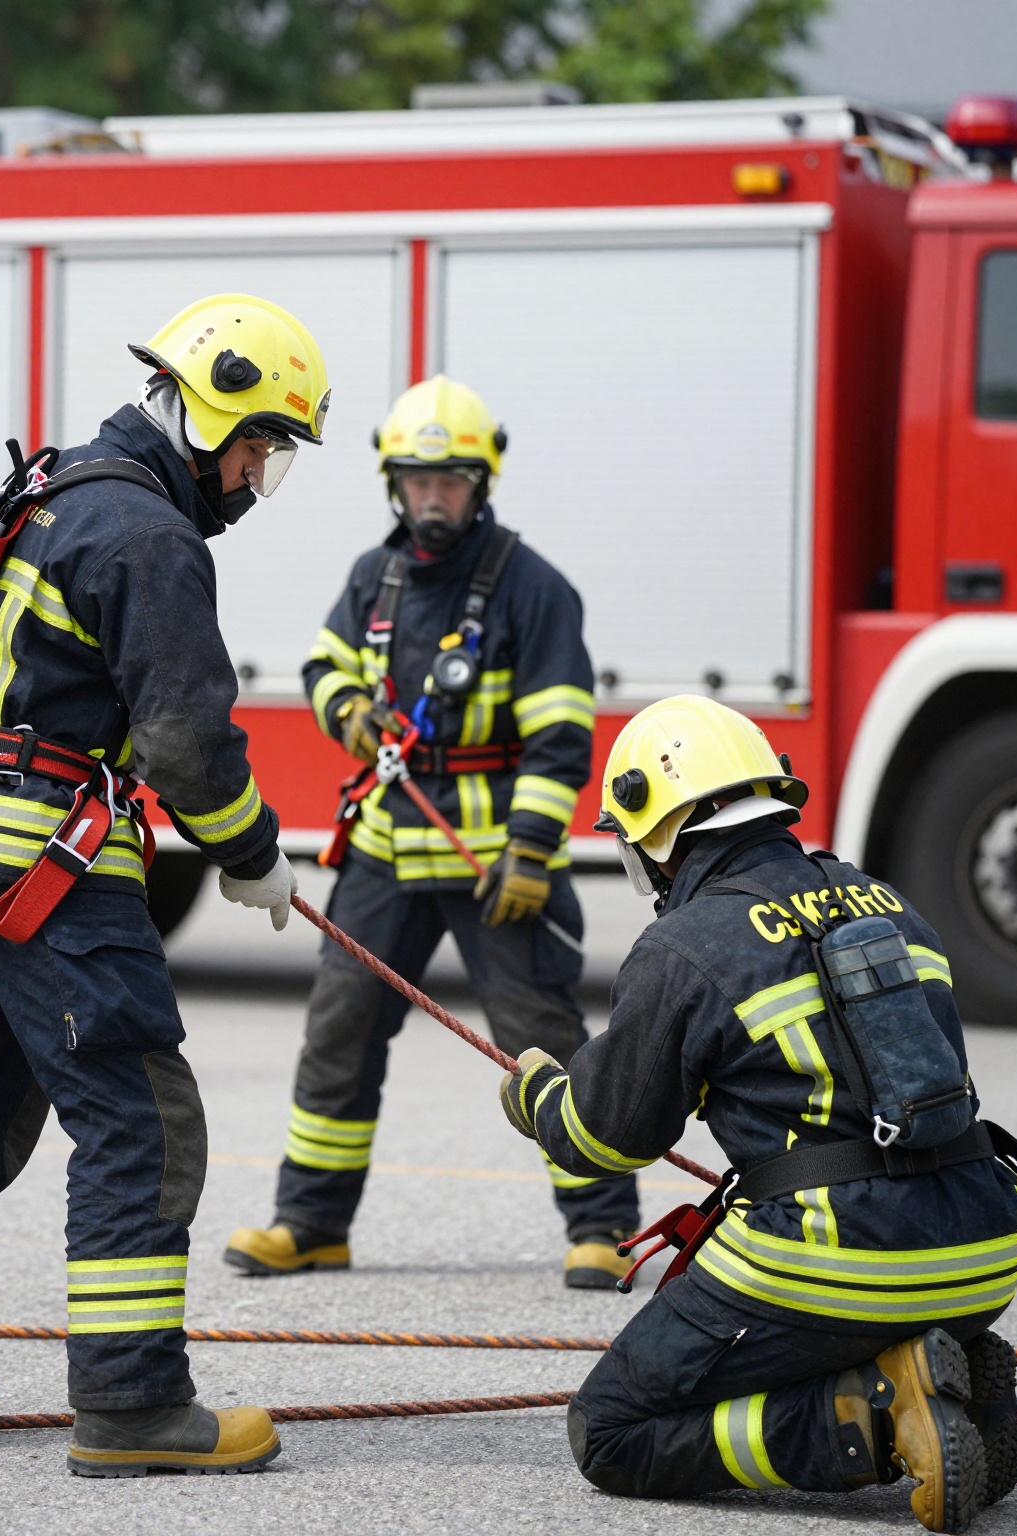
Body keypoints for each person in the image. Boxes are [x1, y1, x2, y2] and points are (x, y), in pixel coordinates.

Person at [0, 293, 330, 1476]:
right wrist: (255, 854)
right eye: (261, 441)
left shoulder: (57, 490)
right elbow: (185, 743)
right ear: (211, 413)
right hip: (44, 868)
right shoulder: (148, 536)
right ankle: (131, 1404)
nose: (260, 471)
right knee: (140, 1124)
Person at [498, 695, 1017, 1532]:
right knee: (804, 1330)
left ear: (653, 824)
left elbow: (602, 1140)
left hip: (838, 1260)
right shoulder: (887, 904)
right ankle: (953, 1376)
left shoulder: (687, 944)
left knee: (611, 1431)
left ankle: (881, 1418)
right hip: (981, 1248)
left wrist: (537, 1095)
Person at [225, 375, 639, 1288]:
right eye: (416, 481)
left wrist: (532, 850)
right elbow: (325, 662)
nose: (432, 497)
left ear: (480, 482)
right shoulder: (374, 577)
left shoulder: (534, 589)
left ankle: (603, 1227)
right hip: (385, 850)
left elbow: (562, 734)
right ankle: (310, 1223)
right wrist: (349, 711)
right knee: (337, 1033)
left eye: (449, 481)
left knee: (544, 1041)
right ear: (395, 484)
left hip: (497, 863)